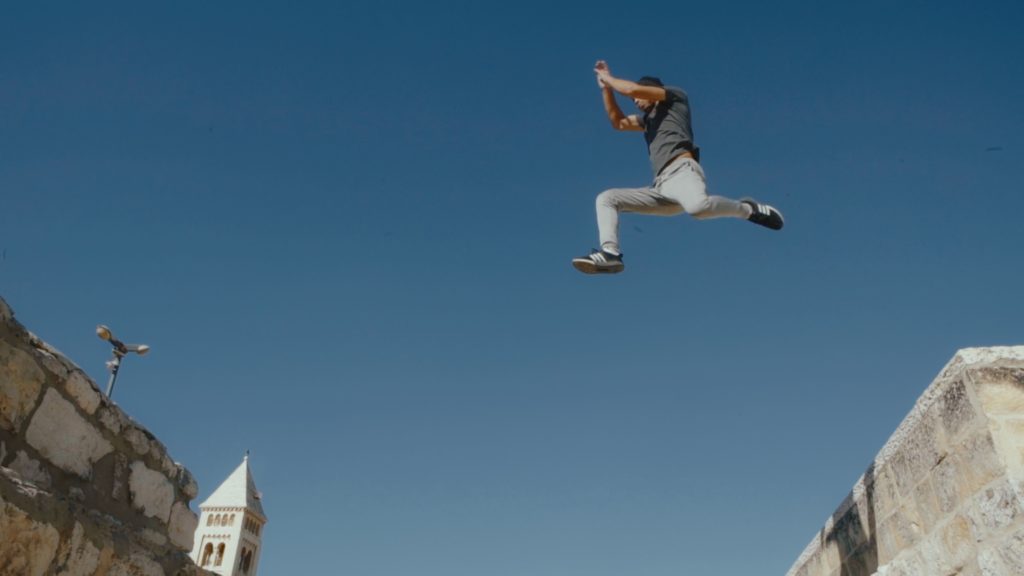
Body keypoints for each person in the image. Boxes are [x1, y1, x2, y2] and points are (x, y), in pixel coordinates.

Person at [572, 60, 784, 274]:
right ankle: (610, 253)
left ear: (652, 91)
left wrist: (609, 77)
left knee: (698, 208)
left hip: (682, 172)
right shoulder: (647, 121)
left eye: (639, 97)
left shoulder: (675, 98)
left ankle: (748, 209)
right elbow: (617, 122)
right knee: (606, 198)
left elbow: (631, 89)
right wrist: (606, 89)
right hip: (660, 189)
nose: (635, 100)